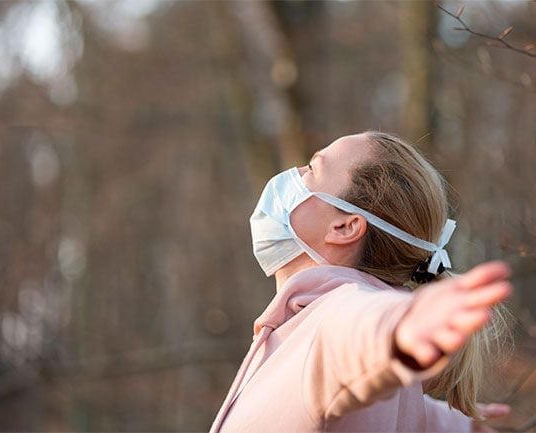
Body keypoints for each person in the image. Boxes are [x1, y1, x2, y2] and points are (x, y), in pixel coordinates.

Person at [209, 130, 513, 433]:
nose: (294, 173)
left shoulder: (334, 317)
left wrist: (400, 326)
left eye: (313, 168)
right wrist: (448, 424)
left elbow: (358, 328)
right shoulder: (299, 326)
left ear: (344, 227)